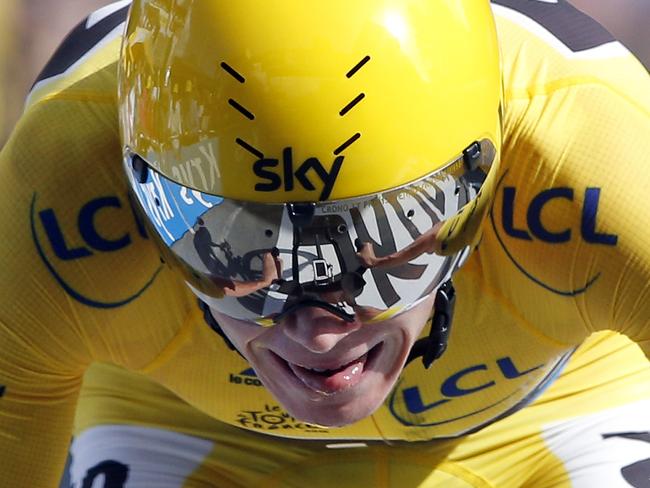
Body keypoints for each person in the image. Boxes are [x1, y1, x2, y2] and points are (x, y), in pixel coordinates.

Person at [1, 1, 649, 486]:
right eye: (234, 248)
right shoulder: (56, 182)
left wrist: (230, 263)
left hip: (553, 412)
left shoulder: (598, 159)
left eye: (381, 242)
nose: (315, 335)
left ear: (490, 179)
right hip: (184, 424)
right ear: (137, 191)